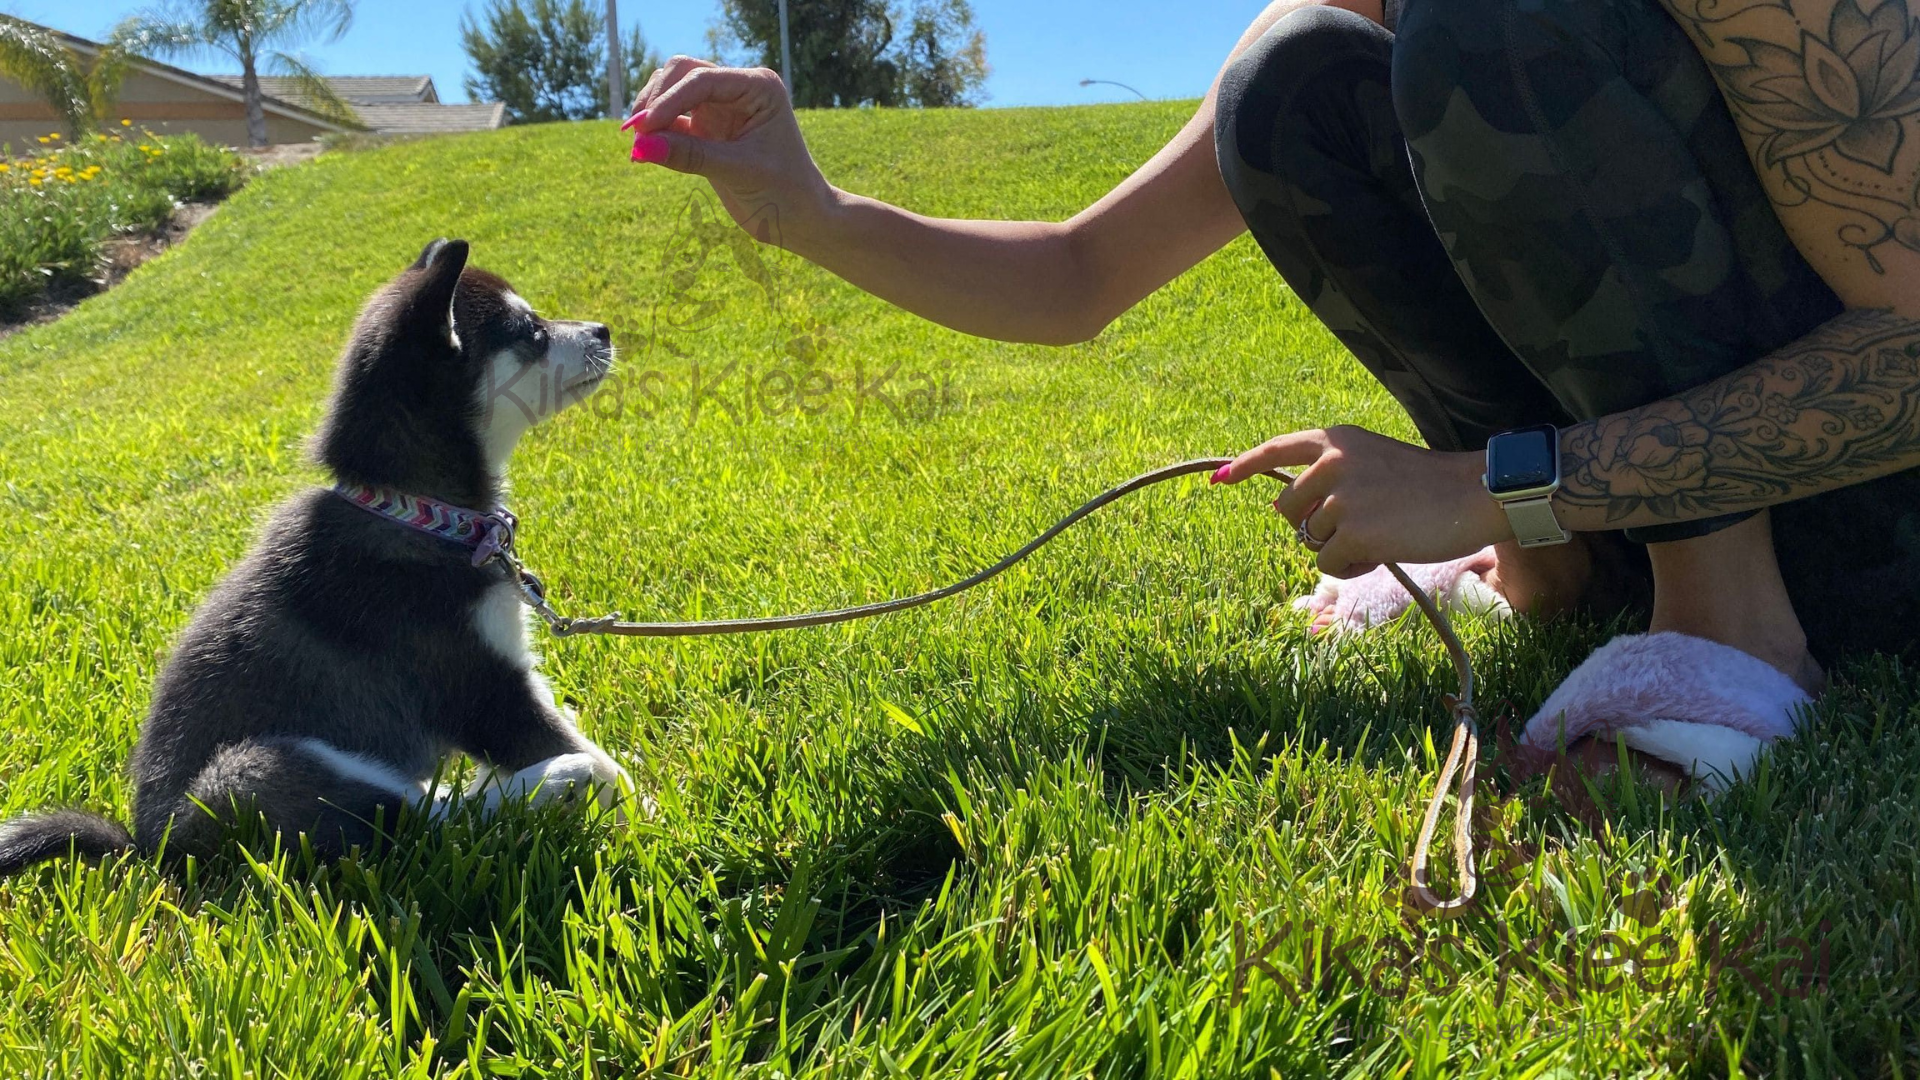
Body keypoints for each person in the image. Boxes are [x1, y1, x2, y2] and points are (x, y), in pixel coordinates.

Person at [621, 0, 1920, 783]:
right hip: (1603, 502)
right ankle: (1557, 573)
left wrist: (1474, 488)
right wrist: (816, 212)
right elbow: (1078, 275)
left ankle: (1729, 636)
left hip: (1866, 517)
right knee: (1283, 89)